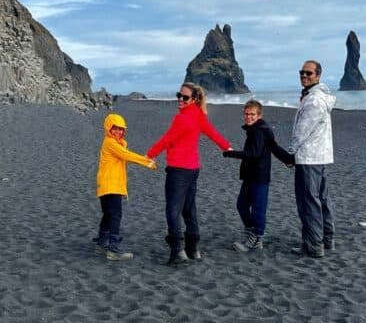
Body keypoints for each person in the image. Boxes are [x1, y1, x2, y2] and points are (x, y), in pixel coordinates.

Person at [146, 82, 232, 265]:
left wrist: (149, 155)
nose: (180, 99)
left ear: (194, 99)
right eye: (179, 95)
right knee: (188, 209)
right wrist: (228, 148)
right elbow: (213, 134)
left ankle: (178, 251)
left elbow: (167, 140)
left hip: (179, 170)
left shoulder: (182, 118)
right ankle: (193, 249)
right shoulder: (199, 115)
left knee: (173, 211)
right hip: (193, 170)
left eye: (185, 97)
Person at [223, 100, 294, 252]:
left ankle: (256, 238)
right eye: (246, 114)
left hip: (259, 176)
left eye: (252, 114)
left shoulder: (259, 131)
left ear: (259, 115)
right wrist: (288, 159)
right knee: (241, 205)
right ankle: (251, 234)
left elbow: (253, 154)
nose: (248, 117)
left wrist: (231, 153)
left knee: (258, 209)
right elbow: (274, 147)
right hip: (250, 175)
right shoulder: (258, 129)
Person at [289, 60, 336, 258]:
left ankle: (314, 245)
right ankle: (327, 240)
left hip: (309, 157)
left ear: (318, 76)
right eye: (302, 72)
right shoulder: (316, 97)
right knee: (320, 199)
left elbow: (302, 131)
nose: (304, 76)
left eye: (308, 73)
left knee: (309, 202)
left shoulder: (314, 100)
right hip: (321, 156)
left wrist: (291, 153)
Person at [95, 113, 157, 261]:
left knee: (108, 215)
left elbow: (123, 152)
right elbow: (126, 155)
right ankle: (113, 250)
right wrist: (147, 161)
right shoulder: (110, 143)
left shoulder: (113, 143)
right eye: (115, 128)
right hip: (111, 185)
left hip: (105, 185)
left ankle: (102, 244)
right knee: (115, 215)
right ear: (109, 129)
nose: (118, 132)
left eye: (121, 129)